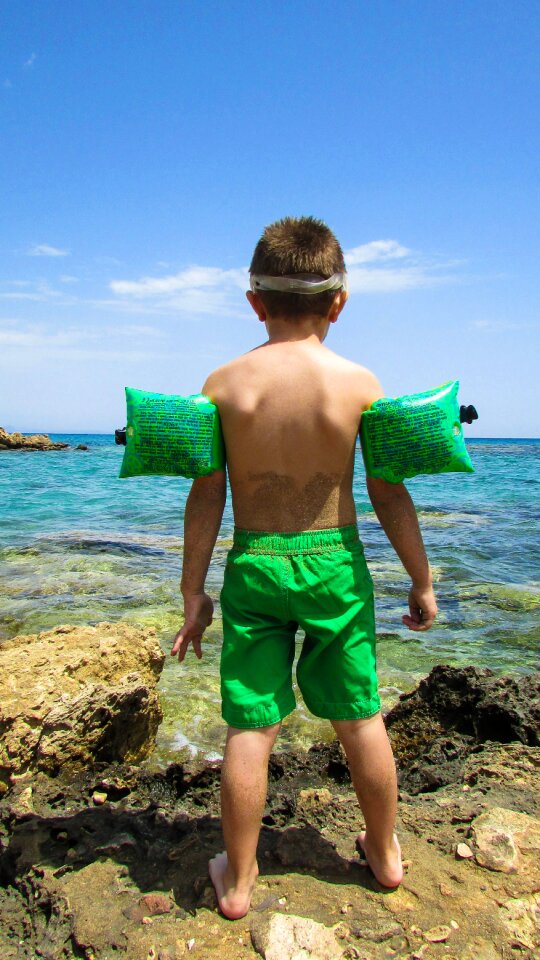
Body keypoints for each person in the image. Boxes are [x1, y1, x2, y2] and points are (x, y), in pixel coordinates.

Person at [171, 216, 437, 920]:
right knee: (360, 716)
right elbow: (387, 491)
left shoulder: (224, 385)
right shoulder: (357, 384)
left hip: (255, 561)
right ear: (339, 301)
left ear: (253, 301)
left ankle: (238, 880)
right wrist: (422, 577)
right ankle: (383, 855)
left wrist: (192, 590)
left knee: (251, 728)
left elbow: (208, 494)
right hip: (335, 567)